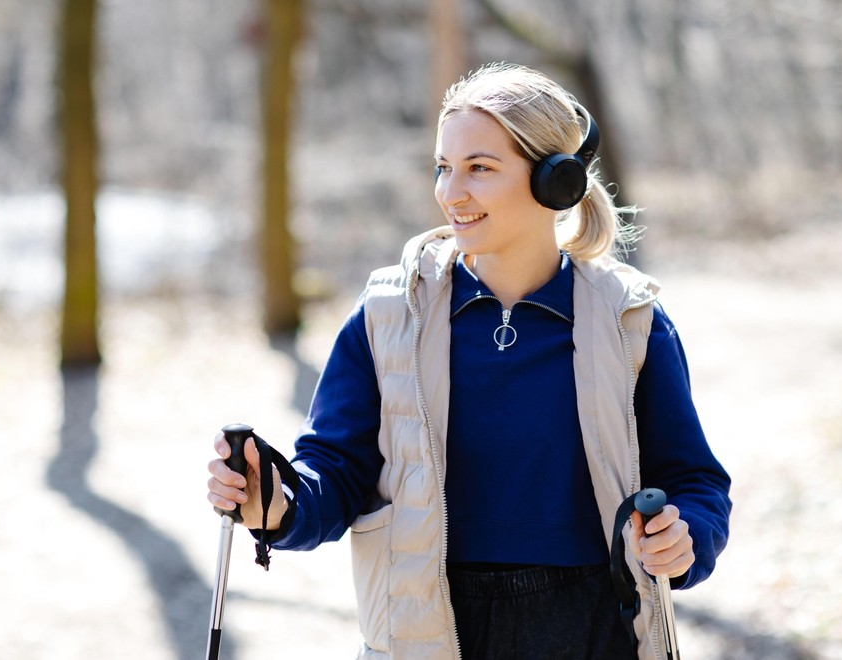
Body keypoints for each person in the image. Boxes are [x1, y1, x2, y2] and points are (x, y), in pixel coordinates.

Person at [207, 62, 731, 660]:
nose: (450, 192)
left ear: (554, 181)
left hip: (592, 630)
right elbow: (337, 470)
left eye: (479, 168)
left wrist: (686, 536)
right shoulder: (389, 314)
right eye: (443, 167)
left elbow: (694, 481)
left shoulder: (630, 322)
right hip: (426, 626)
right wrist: (274, 501)